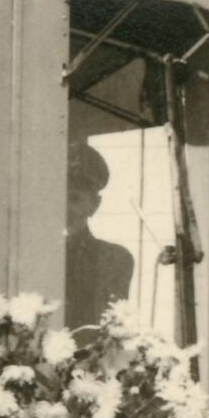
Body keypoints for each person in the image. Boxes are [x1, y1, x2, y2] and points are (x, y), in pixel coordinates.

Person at [64, 138, 137, 327]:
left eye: (74, 198)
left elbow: (110, 330)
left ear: (94, 205)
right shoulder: (29, 253)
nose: (65, 208)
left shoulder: (115, 259)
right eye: (58, 198)